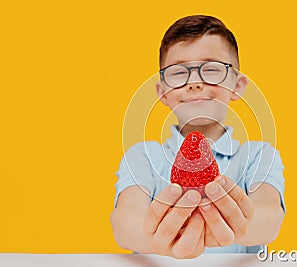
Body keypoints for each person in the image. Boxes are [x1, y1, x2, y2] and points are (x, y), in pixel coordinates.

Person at [110, 15, 286, 259]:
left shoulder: (258, 155)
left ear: (237, 85)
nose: (194, 82)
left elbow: (270, 215)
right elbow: (125, 221)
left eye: (212, 69)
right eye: (178, 72)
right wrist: (157, 235)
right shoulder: (143, 156)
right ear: (162, 93)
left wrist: (239, 223)